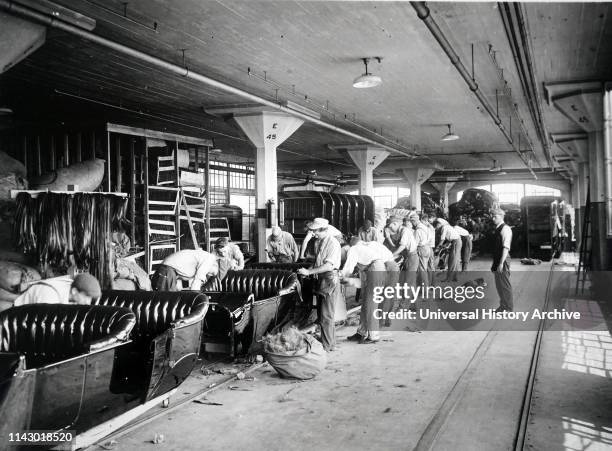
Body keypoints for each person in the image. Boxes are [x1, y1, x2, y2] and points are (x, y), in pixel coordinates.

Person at [340, 237, 399, 343]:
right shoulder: (366, 246)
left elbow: (348, 267)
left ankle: (374, 335)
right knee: (366, 302)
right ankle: (362, 332)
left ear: (346, 248)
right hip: (376, 268)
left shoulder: (353, 249)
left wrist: (341, 275)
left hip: (376, 268)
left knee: (371, 302)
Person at [297, 218, 342, 352]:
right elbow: (317, 262)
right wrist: (308, 271)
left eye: (315, 231)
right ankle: (330, 343)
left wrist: (309, 272)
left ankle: (327, 346)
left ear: (324, 230)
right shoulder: (318, 242)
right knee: (323, 315)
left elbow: (328, 266)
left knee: (326, 315)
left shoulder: (333, 243)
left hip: (330, 279)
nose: (314, 234)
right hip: (321, 279)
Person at [14, 273, 102, 306]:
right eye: (86, 296)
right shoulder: (50, 294)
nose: (88, 302)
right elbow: (44, 324)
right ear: (74, 291)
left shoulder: (72, 298)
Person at [152, 248, 218, 291]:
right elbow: (196, 284)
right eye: (212, 273)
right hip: (167, 271)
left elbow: (179, 283)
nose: (209, 274)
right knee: (167, 302)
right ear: (212, 265)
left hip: (167, 271)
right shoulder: (209, 259)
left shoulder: (201, 258)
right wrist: (196, 298)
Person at [385, 216, 418, 294]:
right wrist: (388, 237)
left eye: (391, 227)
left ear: (395, 224)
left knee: (408, 282)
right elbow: (394, 246)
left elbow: (402, 247)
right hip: (406, 257)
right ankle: (413, 303)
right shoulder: (399, 232)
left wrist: (391, 256)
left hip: (412, 257)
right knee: (404, 281)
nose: (390, 229)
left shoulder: (405, 231)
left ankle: (404, 304)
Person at [491, 208, 513, 312]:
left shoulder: (505, 229)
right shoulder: (498, 228)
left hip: (503, 259)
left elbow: (506, 247)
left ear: (501, 216)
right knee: (499, 285)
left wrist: (501, 263)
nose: (493, 218)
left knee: (504, 285)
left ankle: (508, 308)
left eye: (495, 216)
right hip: (498, 259)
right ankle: (503, 306)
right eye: (492, 216)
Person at [436, 218, 462, 282]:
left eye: (436, 225)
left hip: (455, 242)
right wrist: (444, 245)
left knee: (452, 260)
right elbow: (450, 238)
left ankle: (449, 278)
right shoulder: (447, 227)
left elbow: (442, 239)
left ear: (440, 224)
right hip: (456, 241)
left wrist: (437, 248)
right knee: (456, 260)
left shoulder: (444, 228)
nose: (436, 227)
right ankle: (455, 277)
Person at [409, 211, 431, 289]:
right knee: (424, 268)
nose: (412, 224)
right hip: (427, 248)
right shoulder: (425, 227)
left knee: (422, 271)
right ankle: (424, 288)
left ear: (414, 221)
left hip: (421, 249)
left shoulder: (418, 230)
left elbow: (414, 244)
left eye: (412, 222)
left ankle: (425, 290)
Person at [421, 213, 437, 286]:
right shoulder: (430, 227)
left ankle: (431, 284)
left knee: (429, 267)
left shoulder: (428, 227)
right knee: (430, 266)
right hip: (430, 247)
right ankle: (432, 283)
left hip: (429, 247)